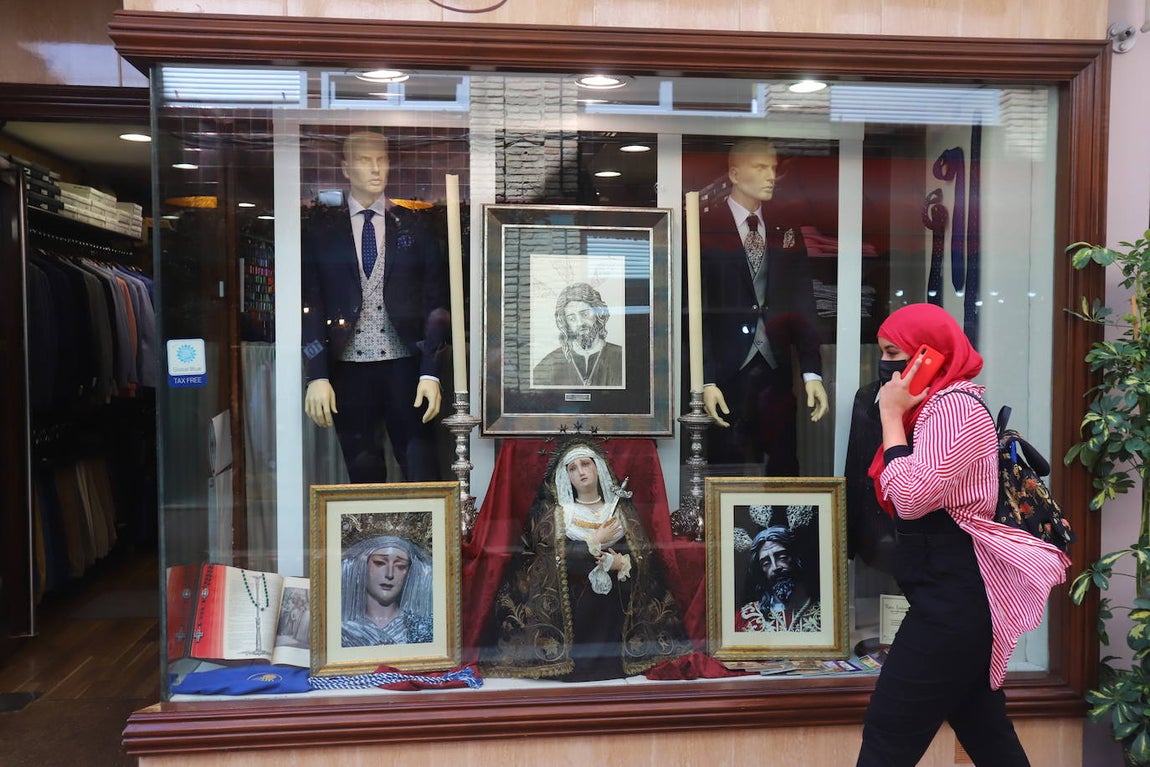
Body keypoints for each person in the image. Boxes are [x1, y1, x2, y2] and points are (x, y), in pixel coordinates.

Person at [856, 303, 1070, 767]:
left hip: (955, 600)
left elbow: (911, 497)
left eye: (895, 353)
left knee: (888, 731)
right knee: (985, 731)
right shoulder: (933, 408)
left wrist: (891, 417)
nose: (887, 366)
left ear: (927, 356)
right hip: (952, 598)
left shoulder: (955, 408)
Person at [301, 130, 449, 483]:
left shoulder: (414, 225)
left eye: (382, 159)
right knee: (363, 471)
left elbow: (435, 303)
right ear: (346, 168)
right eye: (365, 160)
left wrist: (430, 370)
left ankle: (422, 539)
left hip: (406, 367)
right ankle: (374, 540)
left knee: (420, 467)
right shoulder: (322, 231)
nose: (376, 168)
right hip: (348, 370)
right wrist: (317, 373)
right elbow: (311, 304)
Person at [482, 438, 691, 681]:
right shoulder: (558, 516)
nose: (581, 472)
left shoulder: (621, 511)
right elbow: (548, 562)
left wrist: (622, 564)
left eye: (586, 464)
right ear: (565, 476)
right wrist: (594, 543)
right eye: (572, 468)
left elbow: (643, 559)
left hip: (616, 609)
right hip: (574, 608)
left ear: (598, 467)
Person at [699, 138, 828, 476]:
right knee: (726, 462)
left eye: (773, 167)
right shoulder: (704, 227)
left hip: (776, 367)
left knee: (784, 458)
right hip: (727, 369)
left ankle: (785, 528)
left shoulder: (786, 227)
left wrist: (812, 371)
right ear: (735, 173)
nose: (771, 175)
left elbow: (803, 301)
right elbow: (696, 312)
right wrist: (705, 378)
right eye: (760, 167)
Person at [341, 534, 434, 647]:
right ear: (361, 566)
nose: (389, 574)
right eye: (380, 563)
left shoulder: (422, 629)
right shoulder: (343, 632)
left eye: (400, 566)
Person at [532, 282, 623, 387]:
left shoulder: (621, 357)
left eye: (585, 314)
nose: (580, 323)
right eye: (572, 318)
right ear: (566, 324)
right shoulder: (548, 365)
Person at [735, 523, 821, 632]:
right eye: (766, 563)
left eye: (782, 557)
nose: (775, 567)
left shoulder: (823, 611)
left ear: (795, 558)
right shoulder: (745, 618)